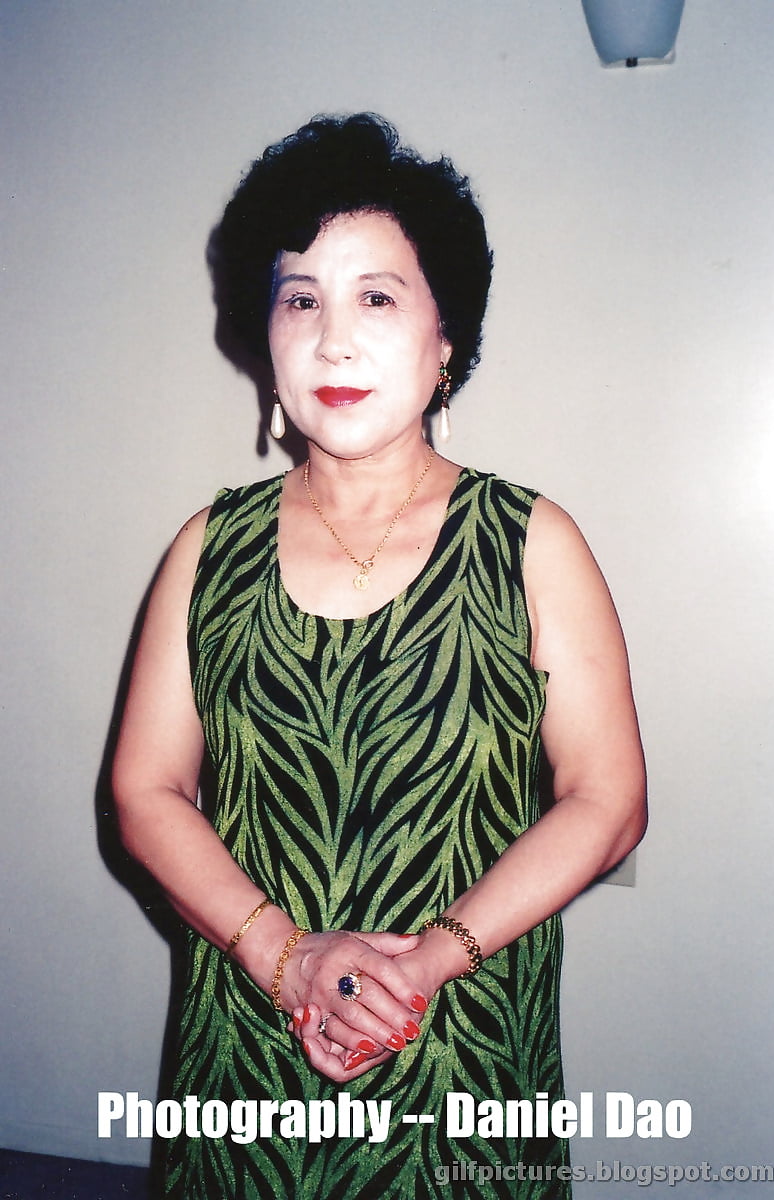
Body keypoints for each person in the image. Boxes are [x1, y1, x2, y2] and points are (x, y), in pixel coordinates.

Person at [113, 113, 646, 1199]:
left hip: (457, 1042)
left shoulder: (531, 543)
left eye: (377, 298)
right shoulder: (205, 547)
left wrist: (425, 962)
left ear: (446, 340)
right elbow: (144, 791)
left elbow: (607, 803)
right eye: (300, 298)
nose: (332, 341)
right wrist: (288, 961)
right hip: (249, 1040)